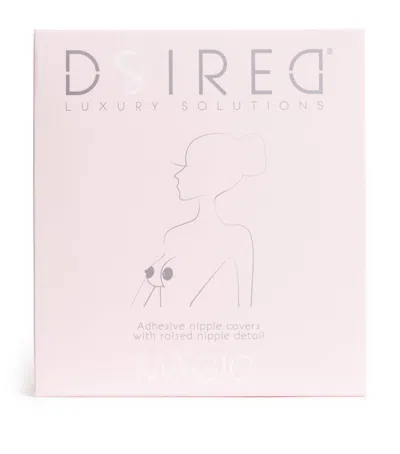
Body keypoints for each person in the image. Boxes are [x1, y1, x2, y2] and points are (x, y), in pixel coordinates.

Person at [132, 133, 266, 309]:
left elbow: (246, 306)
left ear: (211, 176)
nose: (178, 175)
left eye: (188, 167)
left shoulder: (238, 238)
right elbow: (137, 304)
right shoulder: (174, 237)